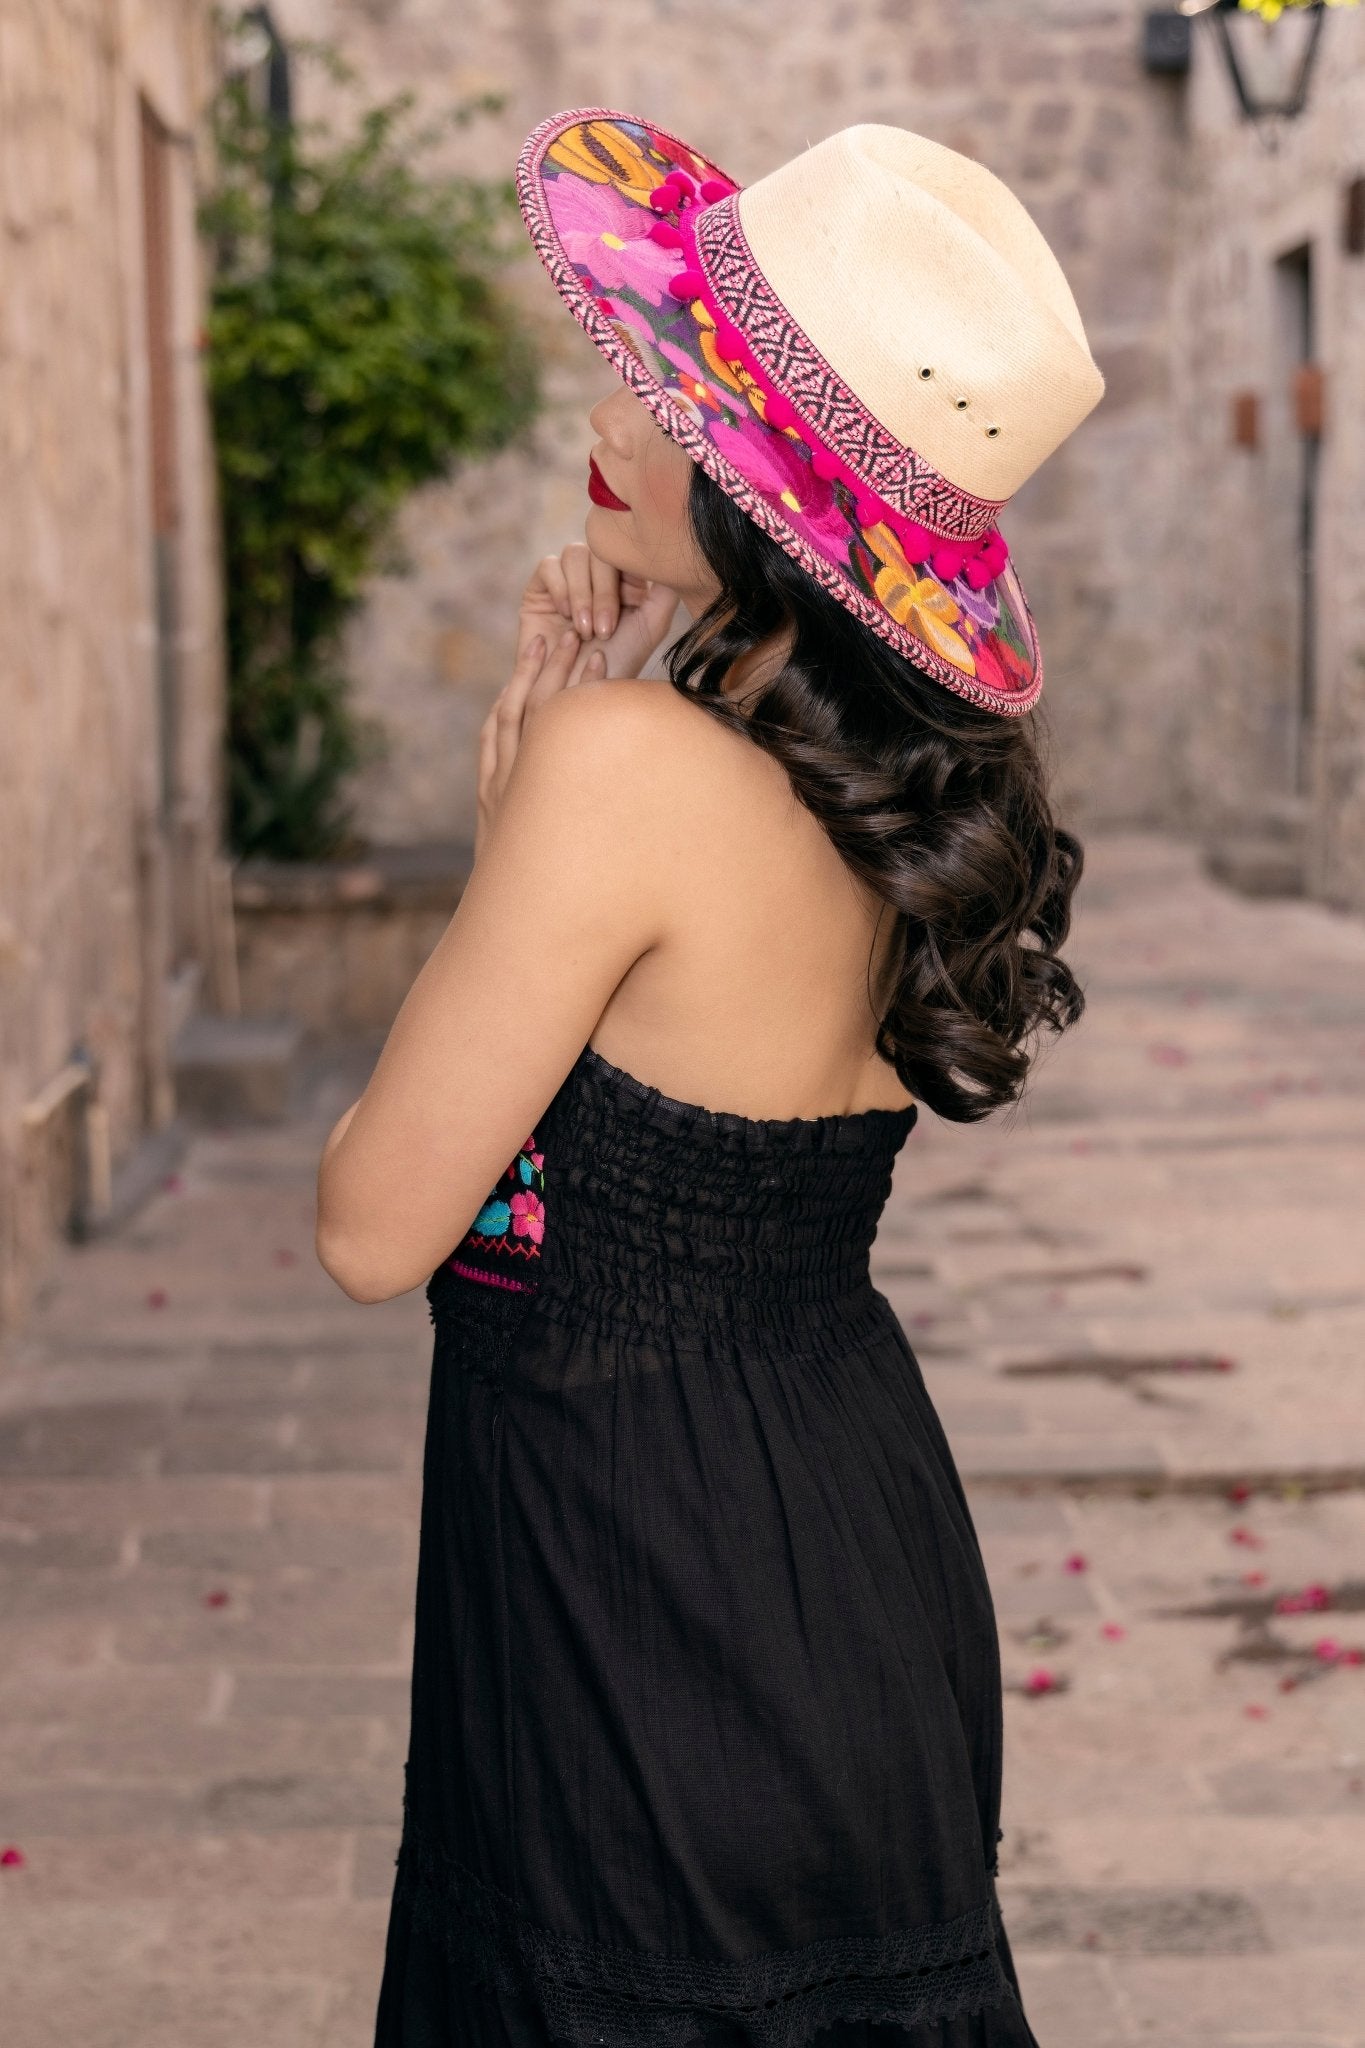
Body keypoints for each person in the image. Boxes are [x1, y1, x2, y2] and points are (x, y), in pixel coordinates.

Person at [317, 109, 1104, 2048]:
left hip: (631, 1588)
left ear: (762, 489)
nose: (617, 398)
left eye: (666, 382)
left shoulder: (624, 772)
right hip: (840, 1549)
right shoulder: (881, 781)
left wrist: (520, 825)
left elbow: (371, 1222)